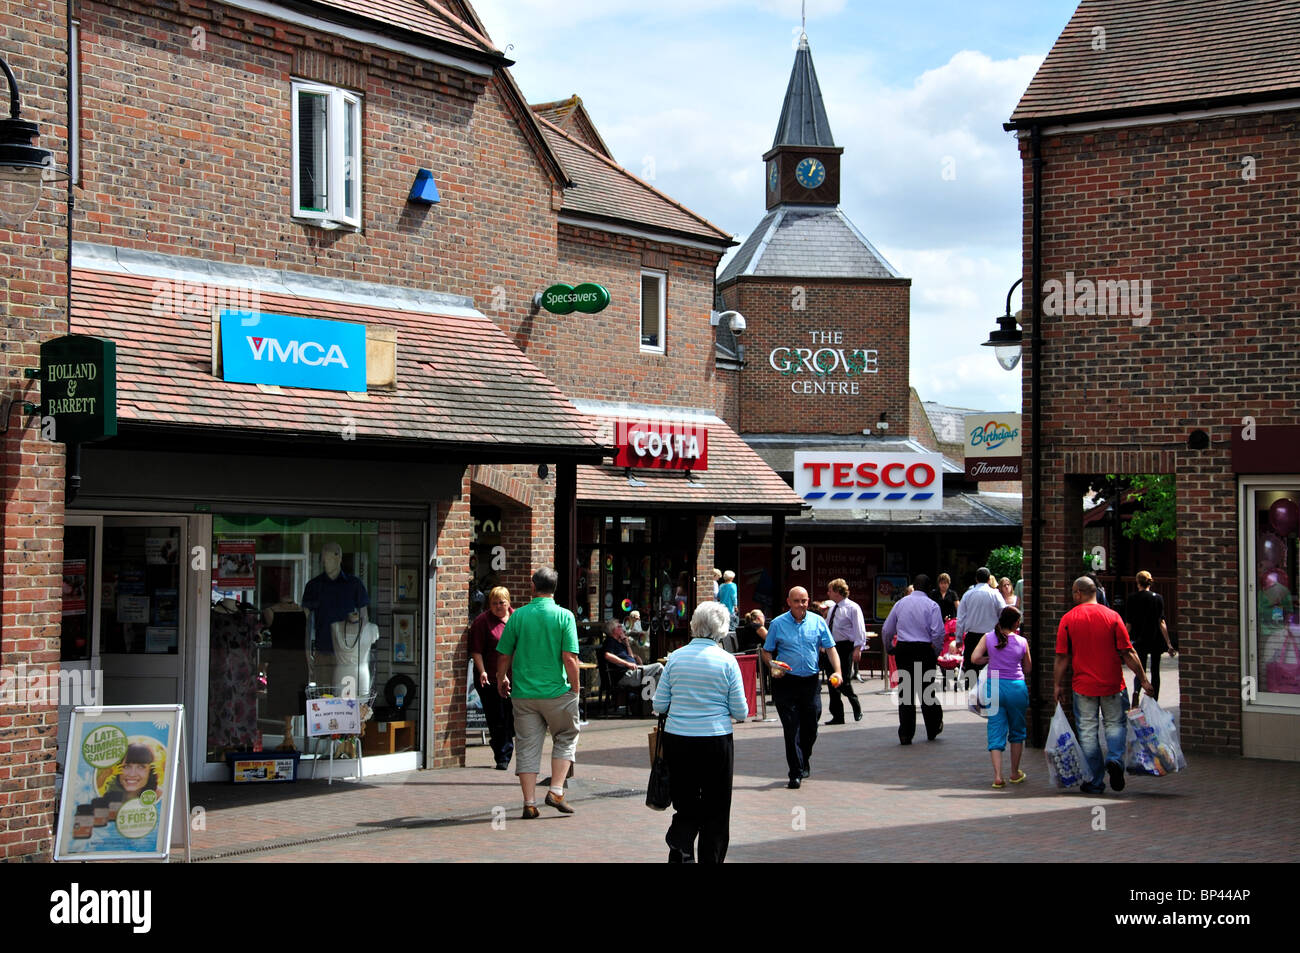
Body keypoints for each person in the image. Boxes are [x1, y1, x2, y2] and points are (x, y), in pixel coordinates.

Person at [652, 601, 750, 863]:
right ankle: (711, 858)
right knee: (716, 806)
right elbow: (741, 712)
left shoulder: (675, 658)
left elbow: (659, 704)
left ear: (695, 624)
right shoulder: (728, 662)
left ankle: (681, 848)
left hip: (678, 740)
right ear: (722, 629)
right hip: (715, 739)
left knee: (684, 800)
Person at [1054, 576, 1153, 794]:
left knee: (1088, 732)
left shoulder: (1068, 619)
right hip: (1112, 684)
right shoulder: (1113, 617)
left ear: (1079, 593)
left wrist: (1057, 685)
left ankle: (1096, 781)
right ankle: (1115, 760)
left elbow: (1062, 657)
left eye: (1073, 592)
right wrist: (1143, 679)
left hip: (1083, 686)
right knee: (1115, 725)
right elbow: (1128, 652)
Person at [496, 567, 581, 818]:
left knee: (526, 746)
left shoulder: (518, 616)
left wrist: (502, 679)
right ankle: (556, 790)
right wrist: (575, 688)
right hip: (557, 692)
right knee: (565, 737)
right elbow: (569, 658)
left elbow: (504, 655)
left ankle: (529, 803)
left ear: (533, 587)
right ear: (555, 589)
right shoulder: (565, 616)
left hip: (524, 694)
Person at [762, 586, 840, 788]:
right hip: (786, 683)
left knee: (811, 727)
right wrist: (772, 666)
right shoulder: (778, 624)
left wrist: (838, 671)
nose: (801, 605)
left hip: (811, 682)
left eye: (804, 601)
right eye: (796, 601)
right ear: (789, 602)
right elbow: (767, 651)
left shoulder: (818, 621)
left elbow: (830, 648)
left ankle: (804, 758)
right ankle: (794, 772)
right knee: (791, 728)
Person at [971, 606, 1031, 788]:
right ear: (1014, 623)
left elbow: (974, 658)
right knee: (1017, 731)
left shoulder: (988, 637)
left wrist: (989, 660)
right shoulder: (1022, 641)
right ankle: (1014, 773)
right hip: (1016, 687)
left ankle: (998, 776)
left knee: (996, 730)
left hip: (994, 685)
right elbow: (1028, 668)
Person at [882, 574, 945, 744]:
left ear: (915, 587)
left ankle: (905, 734)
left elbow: (887, 629)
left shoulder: (900, 603)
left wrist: (890, 648)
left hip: (904, 649)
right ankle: (932, 728)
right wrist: (936, 651)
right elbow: (938, 633)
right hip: (924, 650)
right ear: (929, 588)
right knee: (927, 691)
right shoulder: (932, 605)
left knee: (906, 693)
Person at [469, 586, 514, 769]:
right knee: (497, 717)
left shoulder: (516, 618)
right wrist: (482, 671)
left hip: (513, 678)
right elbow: (476, 651)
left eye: (501, 603)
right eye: (494, 603)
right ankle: (502, 756)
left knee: (510, 718)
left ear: (508, 602)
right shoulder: (482, 621)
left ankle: (503, 747)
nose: (498, 606)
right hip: (489, 679)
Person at [1126, 571, 1176, 702]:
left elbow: (1129, 623)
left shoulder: (1131, 598)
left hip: (1138, 638)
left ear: (1137, 582)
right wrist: (1169, 643)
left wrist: (1124, 639)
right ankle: (1154, 699)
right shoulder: (1157, 598)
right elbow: (1161, 622)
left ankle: (1137, 690)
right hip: (1155, 638)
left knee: (1140, 668)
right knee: (1155, 670)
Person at [823, 578, 865, 724]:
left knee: (843, 681)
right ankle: (837, 715)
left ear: (836, 591)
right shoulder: (833, 608)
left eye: (830, 590)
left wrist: (858, 648)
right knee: (831, 680)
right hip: (833, 647)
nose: (828, 593)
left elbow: (859, 629)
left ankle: (854, 702)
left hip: (846, 646)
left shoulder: (852, 607)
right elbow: (827, 628)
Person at [956, 567, 1006, 675]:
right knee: (992, 672)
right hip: (992, 637)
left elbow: (960, 619)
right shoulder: (995, 594)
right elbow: (1003, 613)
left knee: (972, 673)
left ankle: (974, 691)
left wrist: (958, 639)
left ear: (976, 579)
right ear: (989, 579)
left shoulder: (967, 595)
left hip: (972, 637)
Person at [603, 619, 664, 696]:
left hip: (633, 671)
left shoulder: (620, 643)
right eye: (619, 626)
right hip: (626, 675)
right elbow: (607, 655)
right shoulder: (610, 641)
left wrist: (627, 643)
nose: (622, 627)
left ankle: (648, 703)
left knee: (657, 678)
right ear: (613, 630)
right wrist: (627, 664)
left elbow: (631, 656)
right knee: (659, 667)